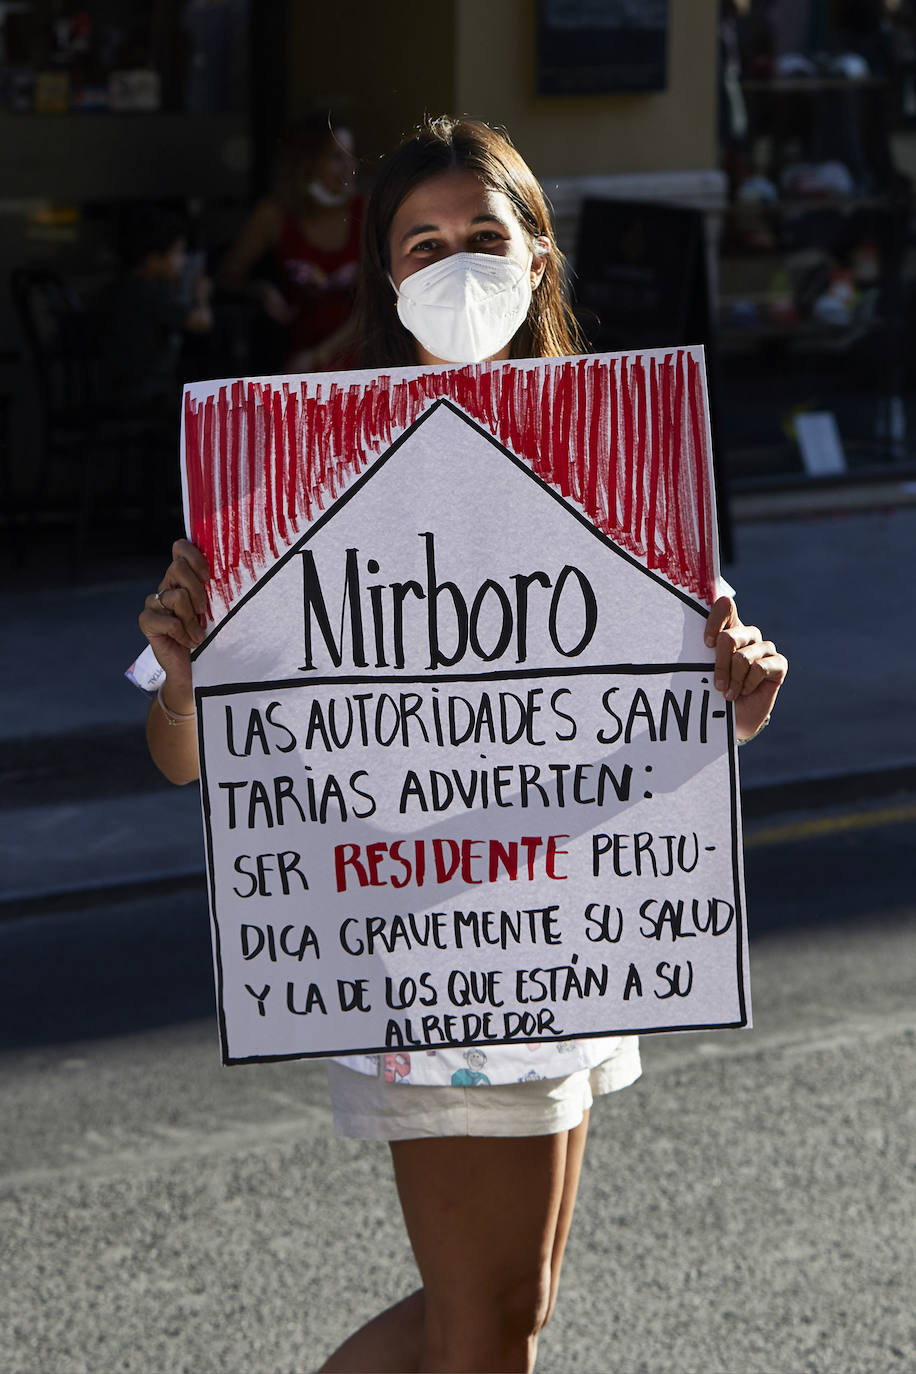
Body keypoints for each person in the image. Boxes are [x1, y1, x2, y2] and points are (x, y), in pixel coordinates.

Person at [139, 116, 788, 1373]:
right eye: (421, 244)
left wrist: (731, 706)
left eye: (482, 237)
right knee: (486, 1326)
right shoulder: (299, 469)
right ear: (386, 281)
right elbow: (182, 758)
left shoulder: (623, 453)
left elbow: (638, 721)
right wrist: (182, 686)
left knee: (504, 1311)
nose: (455, 265)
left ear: (538, 254)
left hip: (571, 941)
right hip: (424, 963)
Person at [219, 113, 361, 373]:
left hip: (359, 356)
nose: (350, 166)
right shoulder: (274, 215)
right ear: (306, 163)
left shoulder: (367, 211)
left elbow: (381, 304)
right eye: (336, 157)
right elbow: (228, 276)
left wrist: (320, 355)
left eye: (350, 155)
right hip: (296, 362)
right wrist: (261, 290)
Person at [102, 207, 213, 416]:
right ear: (153, 259)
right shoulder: (151, 294)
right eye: (178, 252)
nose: (182, 261)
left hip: (116, 389)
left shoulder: (119, 289)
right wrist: (202, 297)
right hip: (147, 393)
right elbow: (201, 323)